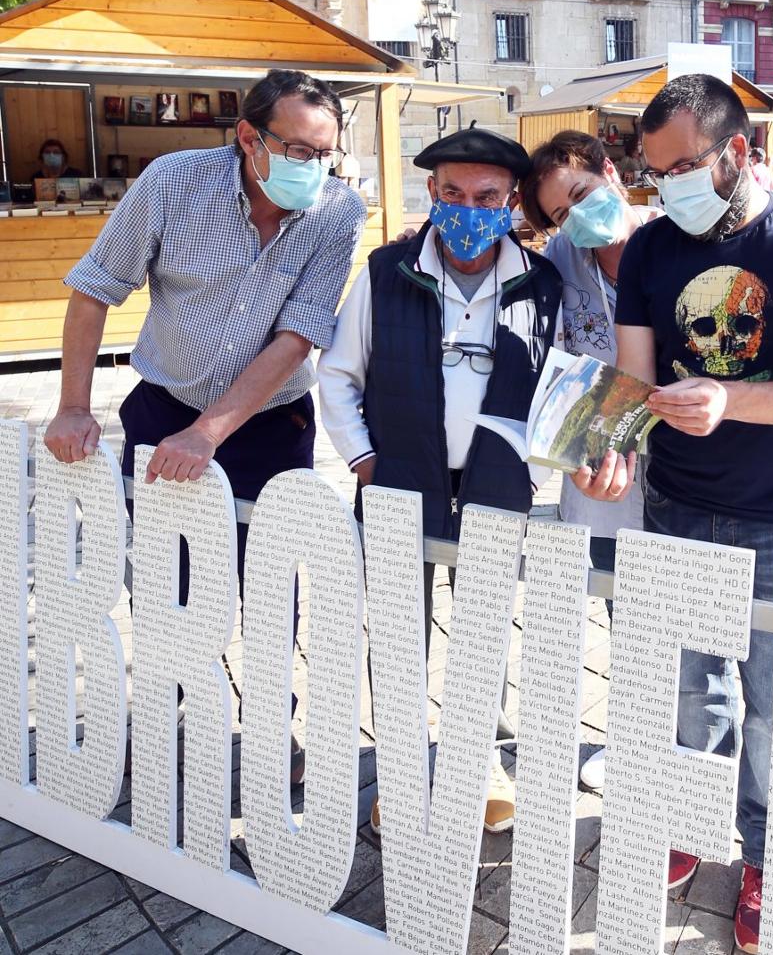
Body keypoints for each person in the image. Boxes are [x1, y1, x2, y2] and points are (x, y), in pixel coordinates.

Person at [573, 73, 773, 954]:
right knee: (687, 685)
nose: (663, 186)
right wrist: (612, 450)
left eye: (680, 166)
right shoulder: (654, 249)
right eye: (651, 170)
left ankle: (772, 857)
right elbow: (632, 380)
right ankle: (688, 818)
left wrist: (729, 399)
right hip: (675, 505)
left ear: (738, 153)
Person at [44, 68, 367, 783]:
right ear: (249, 137)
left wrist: (212, 433)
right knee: (167, 582)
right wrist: (72, 405)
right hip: (164, 409)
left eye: (327, 154)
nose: (315, 170)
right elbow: (95, 288)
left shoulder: (339, 211)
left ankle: (269, 728)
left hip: (270, 424)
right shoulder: (172, 184)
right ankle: (178, 707)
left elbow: (298, 335)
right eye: (300, 151)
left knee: (269, 583)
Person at [317, 123, 563, 838]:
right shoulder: (385, 271)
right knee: (397, 631)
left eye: (486, 195)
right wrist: (364, 458)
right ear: (432, 191)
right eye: (452, 192)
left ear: (511, 200)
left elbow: (558, 388)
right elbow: (338, 375)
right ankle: (398, 768)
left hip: (495, 485)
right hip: (399, 480)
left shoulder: (541, 283)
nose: (467, 207)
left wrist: (534, 472)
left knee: (486, 628)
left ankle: (476, 762)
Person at [516, 128, 663, 791]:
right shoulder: (563, 261)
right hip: (602, 467)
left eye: (581, 195)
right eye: (558, 214)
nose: (578, 219)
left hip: (686, 467)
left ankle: (686, 752)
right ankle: (634, 745)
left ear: (610, 170)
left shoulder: (673, 242)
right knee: (624, 609)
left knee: (681, 616)